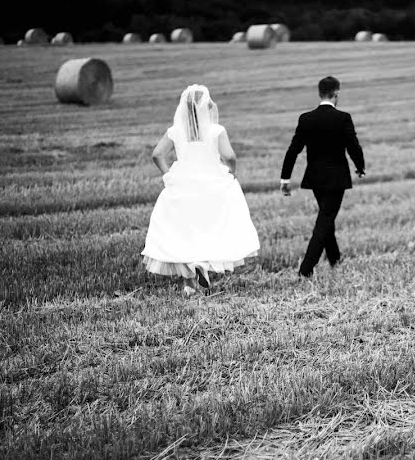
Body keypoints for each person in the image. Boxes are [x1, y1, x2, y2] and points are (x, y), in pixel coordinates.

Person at [142, 85, 260, 296]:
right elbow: (230, 156)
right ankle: (202, 265)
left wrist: (168, 173)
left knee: (184, 230)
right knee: (210, 226)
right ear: (207, 106)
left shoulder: (175, 131)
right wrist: (231, 172)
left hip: (183, 182)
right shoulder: (216, 130)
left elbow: (157, 154)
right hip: (212, 183)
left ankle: (188, 281)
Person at [281, 76, 365, 277]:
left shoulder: (306, 118)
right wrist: (360, 167)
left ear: (320, 93)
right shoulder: (343, 118)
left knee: (327, 218)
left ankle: (335, 259)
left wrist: (285, 178)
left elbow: (293, 150)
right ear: (336, 94)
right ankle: (305, 269)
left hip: (315, 179)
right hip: (337, 179)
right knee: (325, 220)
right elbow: (354, 146)